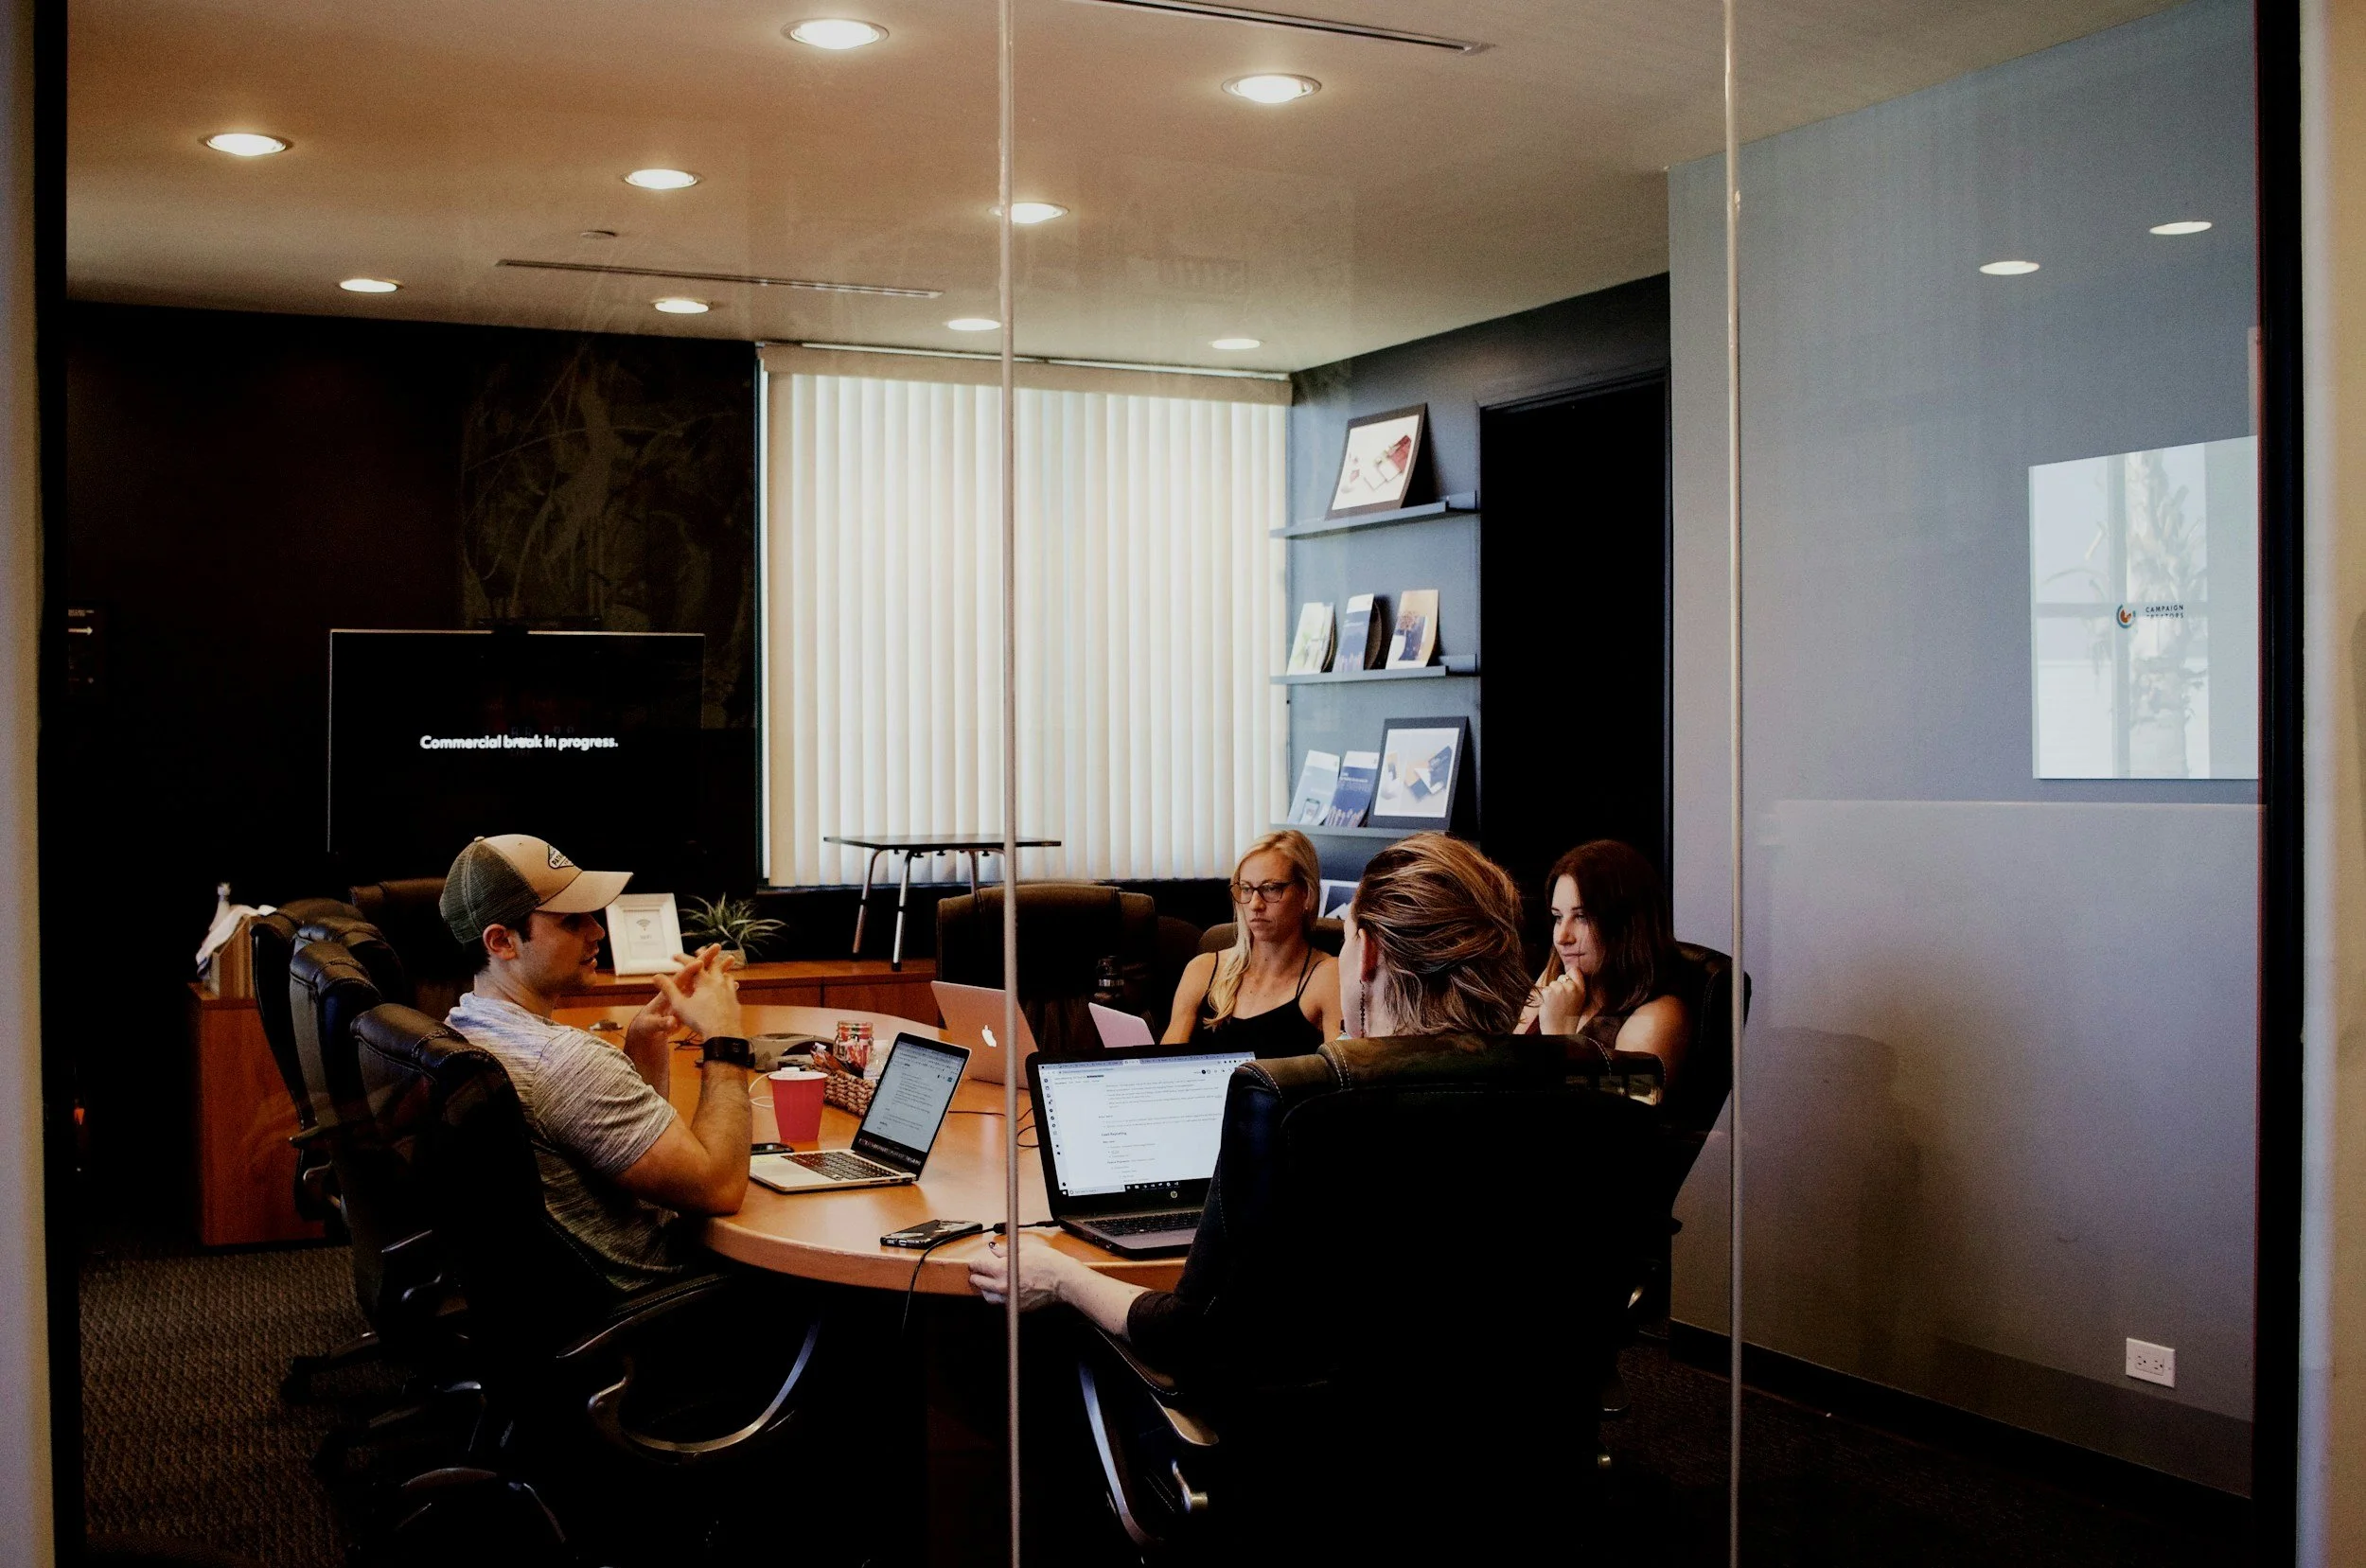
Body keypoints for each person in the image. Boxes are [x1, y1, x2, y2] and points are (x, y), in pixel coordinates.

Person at [972, 832, 1530, 1363]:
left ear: (1367, 957)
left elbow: (1190, 1331)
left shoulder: (1296, 1120)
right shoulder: (1576, 1102)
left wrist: (1060, 1276)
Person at [439, 833, 756, 1294]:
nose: (597, 931)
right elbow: (720, 1188)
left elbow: (615, 1146)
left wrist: (643, 1040)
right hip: (662, 1299)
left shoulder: (463, 1025)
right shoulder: (562, 1062)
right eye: (571, 921)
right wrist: (724, 1037)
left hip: (546, 1299)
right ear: (502, 942)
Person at [1517, 839, 1690, 1081]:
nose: (1562, 937)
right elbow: (1506, 1074)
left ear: (1625, 924)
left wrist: (1559, 1036)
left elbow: (1612, 1116)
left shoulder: (1659, 1018)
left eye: (1582, 917)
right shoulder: (1556, 975)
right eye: (1558, 918)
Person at [1162, 828, 1342, 1051]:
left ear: (1306, 894)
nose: (1255, 904)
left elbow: (1343, 1077)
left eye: (1271, 888)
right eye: (1246, 889)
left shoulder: (1327, 976)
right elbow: (1165, 1068)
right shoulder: (1203, 970)